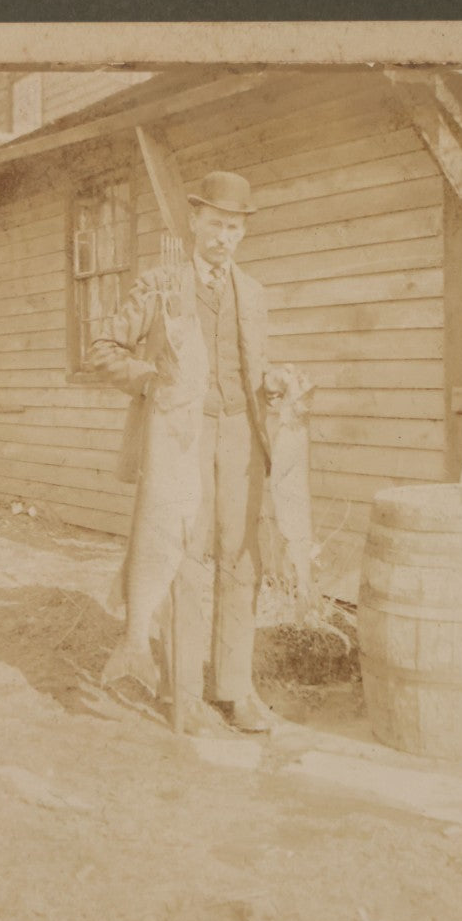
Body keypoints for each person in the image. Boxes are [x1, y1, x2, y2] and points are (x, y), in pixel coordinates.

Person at [90, 170, 284, 736]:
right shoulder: (159, 285)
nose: (224, 237)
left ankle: (234, 689)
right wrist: (151, 382)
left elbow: (249, 366)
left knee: (240, 560)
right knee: (185, 558)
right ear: (194, 221)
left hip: (241, 436)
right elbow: (104, 349)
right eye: (216, 224)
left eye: (234, 228)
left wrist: (276, 384)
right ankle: (184, 693)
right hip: (182, 434)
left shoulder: (252, 293)